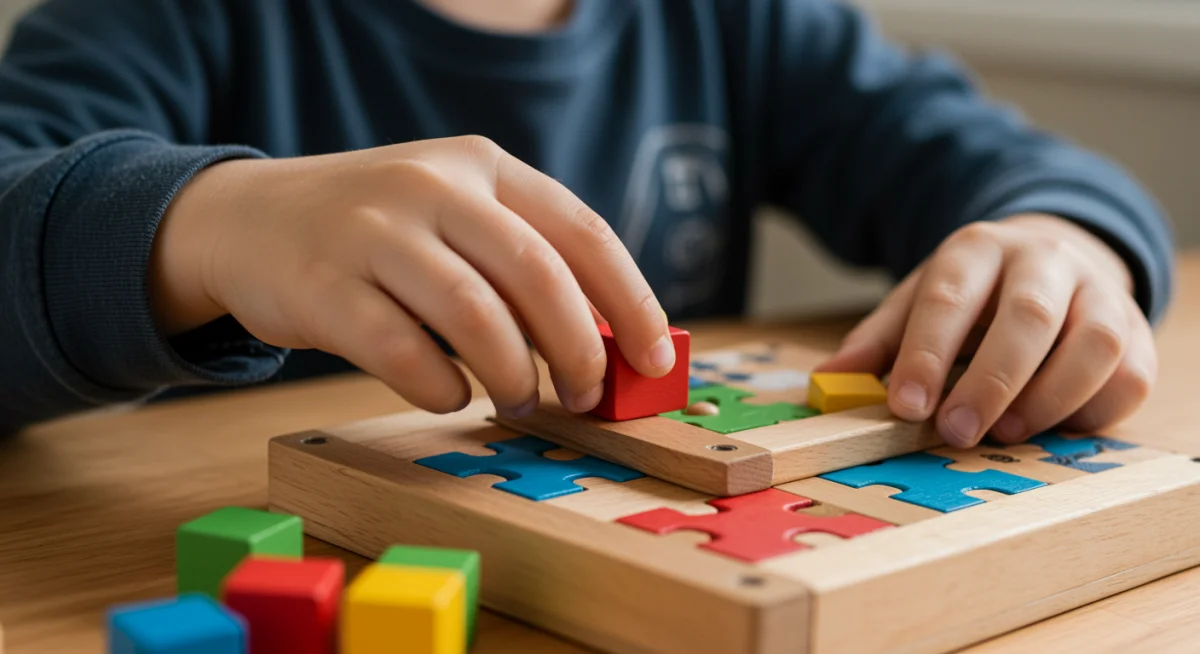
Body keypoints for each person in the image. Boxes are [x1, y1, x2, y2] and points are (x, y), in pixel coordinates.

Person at [0, 0, 1172, 449]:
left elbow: (997, 159)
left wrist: (1069, 241)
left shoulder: (743, 21)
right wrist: (204, 226)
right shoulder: (154, 18)